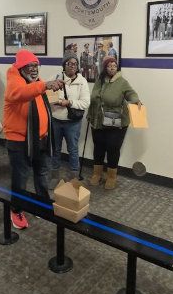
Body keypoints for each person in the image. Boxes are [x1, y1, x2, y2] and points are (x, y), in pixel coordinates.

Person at [3, 49, 63, 229]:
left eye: (36, 66)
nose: (34, 69)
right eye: (30, 66)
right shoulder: (15, 81)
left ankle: (41, 204)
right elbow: (21, 93)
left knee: (42, 173)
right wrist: (45, 85)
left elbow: (39, 100)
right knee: (20, 177)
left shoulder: (35, 82)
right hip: (19, 141)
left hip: (40, 139)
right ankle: (16, 210)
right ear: (21, 68)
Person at [87, 56, 141, 190]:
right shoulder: (99, 80)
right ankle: (97, 174)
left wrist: (136, 100)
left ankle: (111, 177)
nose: (112, 68)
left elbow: (131, 93)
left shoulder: (122, 82)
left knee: (113, 149)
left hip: (116, 122)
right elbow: (94, 99)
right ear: (105, 68)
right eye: (109, 66)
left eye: (114, 66)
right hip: (98, 121)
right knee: (98, 148)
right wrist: (90, 115)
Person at [50, 52, 90, 184]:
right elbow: (48, 97)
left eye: (75, 64)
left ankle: (74, 178)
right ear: (64, 65)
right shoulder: (55, 78)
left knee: (73, 149)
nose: (72, 66)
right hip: (56, 120)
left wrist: (69, 102)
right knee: (55, 149)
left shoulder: (82, 82)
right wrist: (56, 101)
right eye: (69, 63)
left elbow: (85, 103)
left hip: (73, 123)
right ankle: (54, 176)